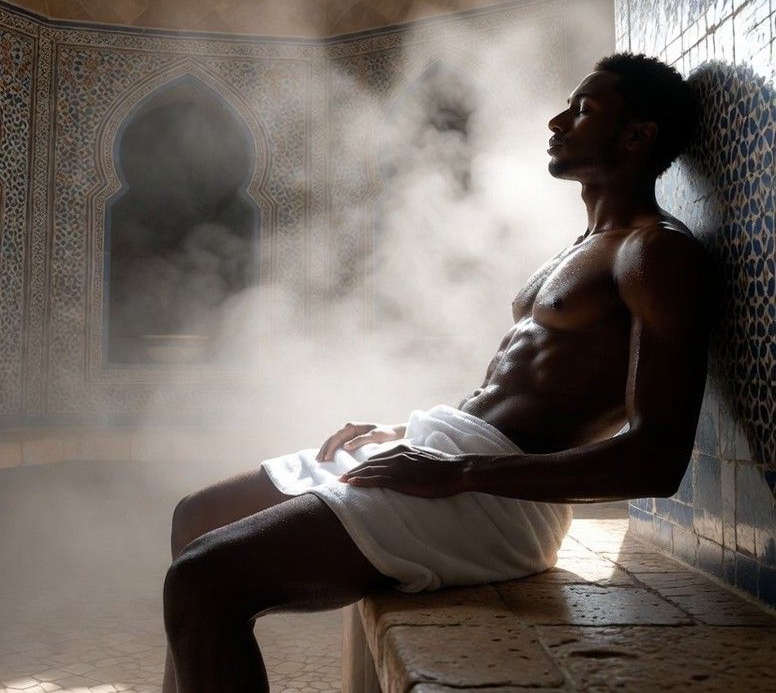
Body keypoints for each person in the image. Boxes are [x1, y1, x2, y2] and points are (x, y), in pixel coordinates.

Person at [162, 53, 710, 692]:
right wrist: (404, 433)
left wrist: (461, 473)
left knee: (203, 581)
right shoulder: (584, 248)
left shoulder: (656, 254)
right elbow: (524, 389)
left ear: (638, 135)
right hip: (449, 456)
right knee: (195, 516)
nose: (558, 121)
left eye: (585, 110)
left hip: (497, 500)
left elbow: (657, 459)